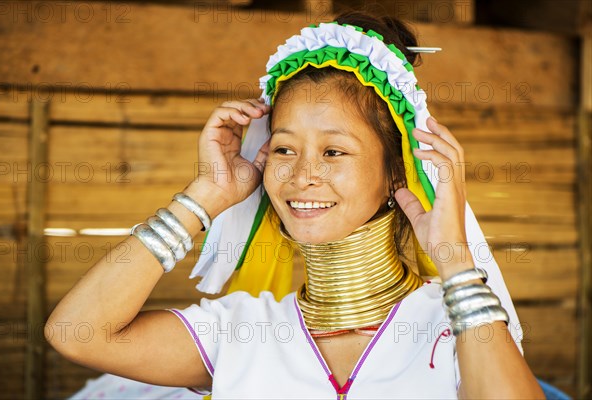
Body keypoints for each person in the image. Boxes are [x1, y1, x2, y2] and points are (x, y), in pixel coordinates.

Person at [47, 11, 545, 399]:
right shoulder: (240, 331)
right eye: (284, 148)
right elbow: (81, 334)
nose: (302, 176)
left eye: (334, 151)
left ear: (397, 171)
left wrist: (457, 263)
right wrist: (204, 196)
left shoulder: (454, 328)